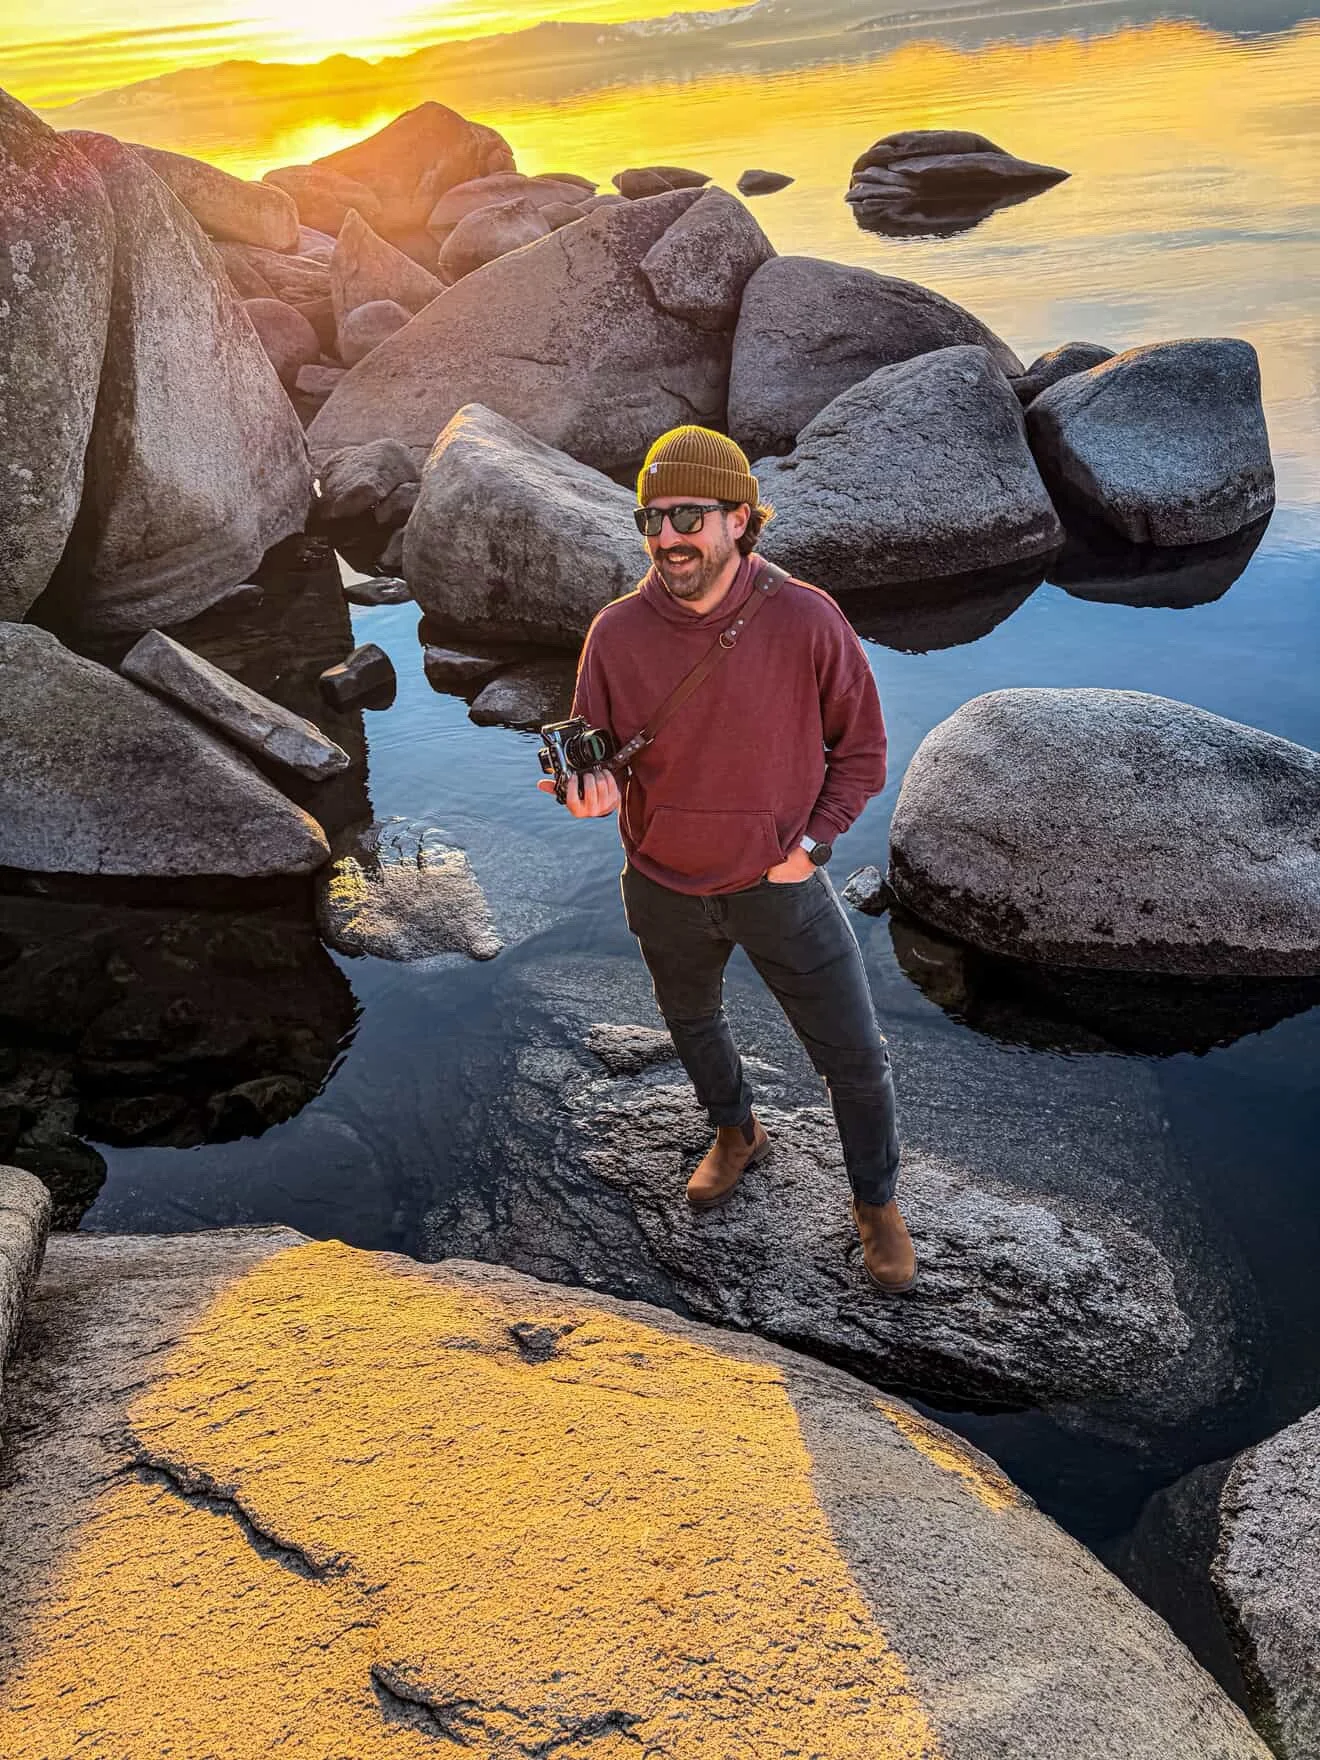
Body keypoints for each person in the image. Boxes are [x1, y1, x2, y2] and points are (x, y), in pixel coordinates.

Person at [536, 425, 916, 1291]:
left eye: (689, 516)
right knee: (692, 1023)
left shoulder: (807, 617)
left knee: (853, 1057)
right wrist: (577, 790)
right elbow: (592, 757)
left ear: (739, 519)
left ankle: (875, 1200)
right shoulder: (616, 633)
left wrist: (811, 848)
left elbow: (862, 751)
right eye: (652, 518)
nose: (668, 537)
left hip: (778, 886)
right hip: (662, 884)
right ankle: (737, 1129)